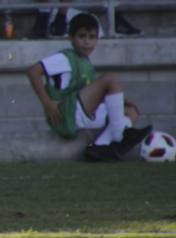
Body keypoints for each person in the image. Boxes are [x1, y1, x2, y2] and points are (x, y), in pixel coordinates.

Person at [26, 13, 151, 161]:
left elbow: (93, 95)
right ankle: (120, 136)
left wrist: (121, 102)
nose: (87, 42)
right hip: (66, 112)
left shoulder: (85, 62)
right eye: (82, 36)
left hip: (80, 112)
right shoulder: (64, 57)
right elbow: (33, 71)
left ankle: (99, 147)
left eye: (91, 37)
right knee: (111, 78)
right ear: (71, 38)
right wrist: (46, 102)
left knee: (130, 111)